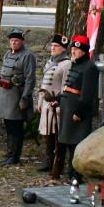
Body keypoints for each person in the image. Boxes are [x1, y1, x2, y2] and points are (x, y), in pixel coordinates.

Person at [57, 36, 99, 183]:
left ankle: (76, 174)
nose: (73, 52)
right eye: (72, 49)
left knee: (76, 142)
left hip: (76, 109)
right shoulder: (76, 65)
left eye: (76, 49)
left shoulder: (89, 67)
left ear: (83, 51)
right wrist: (59, 101)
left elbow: (87, 94)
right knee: (69, 141)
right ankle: (71, 171)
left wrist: (79, 112)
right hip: (68, 107)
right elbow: (70, 86)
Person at [0, 27, 37, 166]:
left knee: (16, 127)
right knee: (9, 126)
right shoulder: (7, 54)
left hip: (17, 95)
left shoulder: (27, 56)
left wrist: (24, 98)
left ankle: (15, 156)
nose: (13, 43)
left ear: (22, 41)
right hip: (5, 95)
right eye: (12, 40)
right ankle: (9, 153)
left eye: (16, 40)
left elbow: (30, 79)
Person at [35, 33, 70, 176]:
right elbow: (43, 84)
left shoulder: (67, 64)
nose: (53, 48)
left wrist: (60, 102)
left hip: (56, 104)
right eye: (52, 45)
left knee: (56, 134)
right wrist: (40, 101)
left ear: (63, 49)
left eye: (56, 46)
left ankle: (57, 161)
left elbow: (65, 86)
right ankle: (48, 160)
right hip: (46, 103)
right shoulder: (50, 61)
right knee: (47, 133)